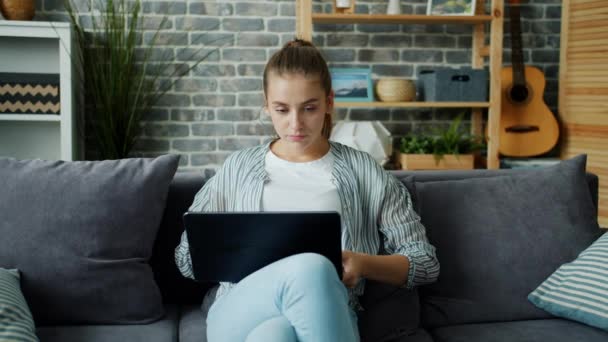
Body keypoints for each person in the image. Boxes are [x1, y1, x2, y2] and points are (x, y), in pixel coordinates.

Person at [175, 38, 439, 342]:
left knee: (276, 335)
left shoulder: (364, 170)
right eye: (282, 109)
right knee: (311, 266)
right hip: (240, 308)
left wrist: (363, 263)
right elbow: (186, 260)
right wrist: (219, 253)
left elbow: (425, 263)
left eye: (309, 108)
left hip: (327, 311)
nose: (295, 124)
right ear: (266, 104)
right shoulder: (237, 168)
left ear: (329, 102)